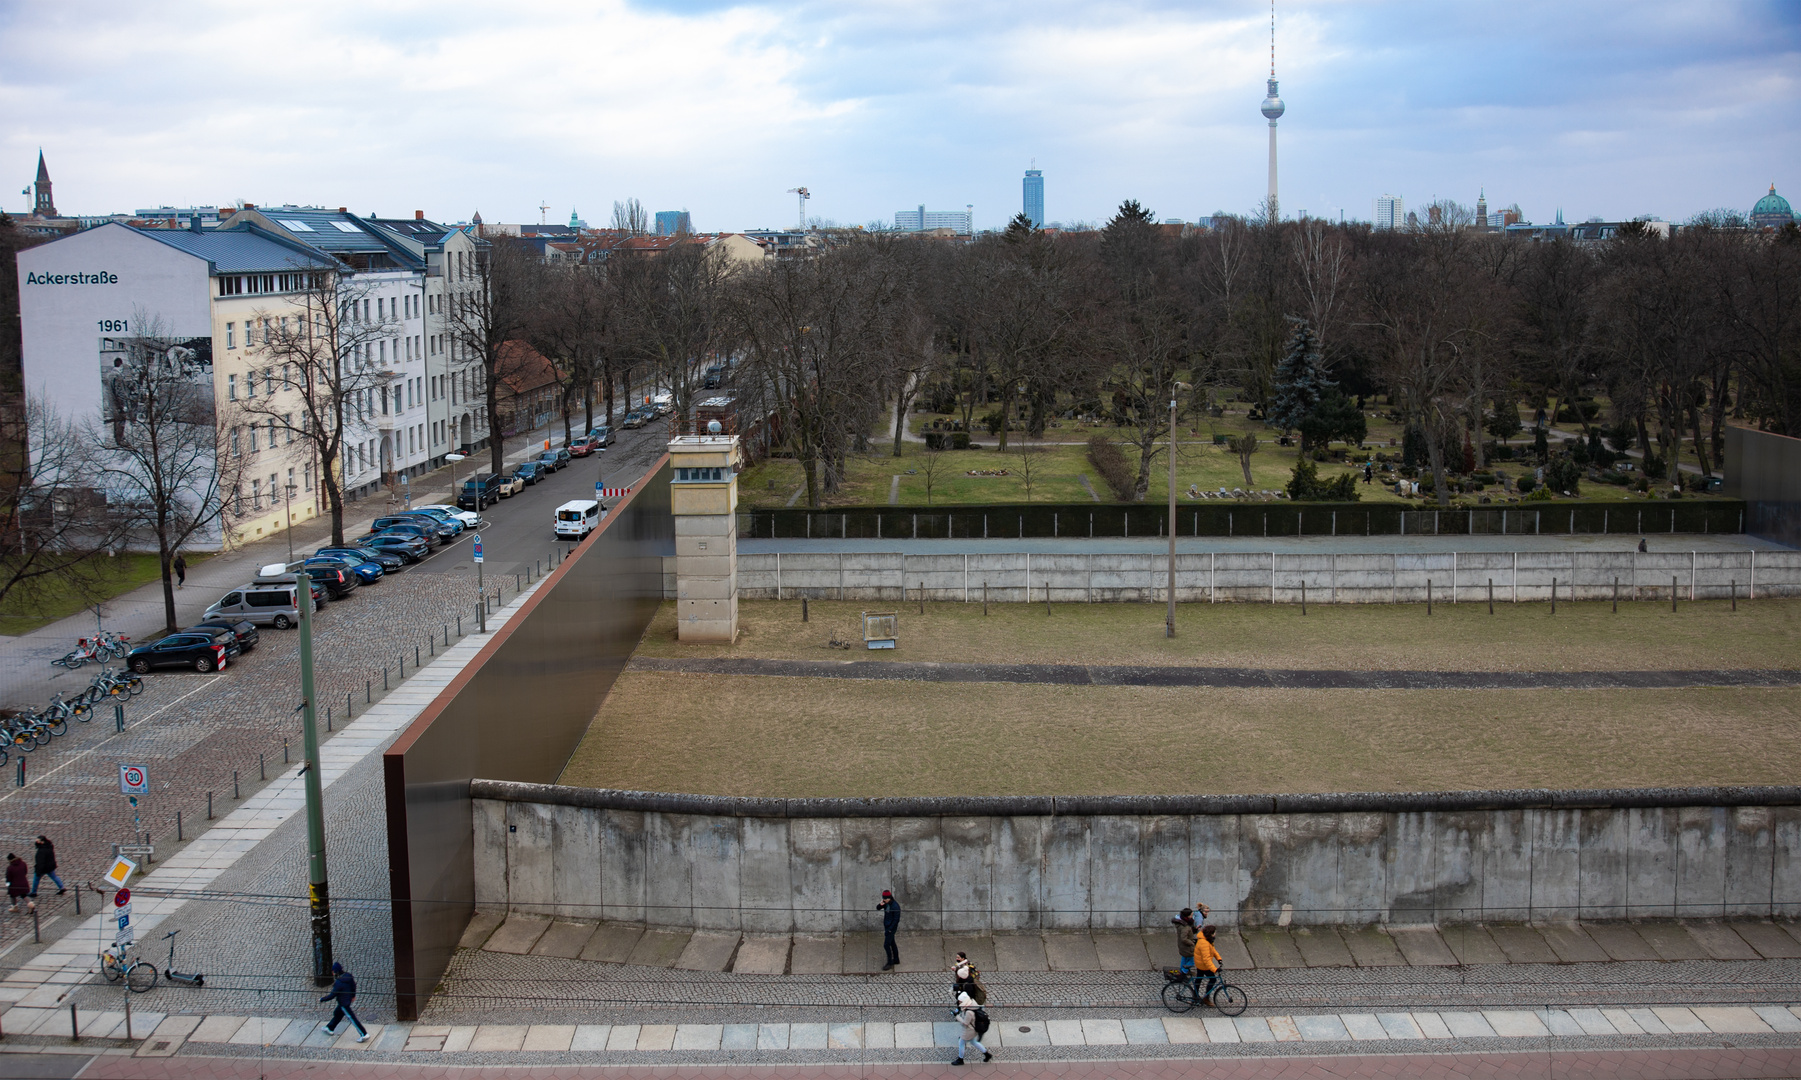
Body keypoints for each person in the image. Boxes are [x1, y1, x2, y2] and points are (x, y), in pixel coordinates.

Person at [319, 961, 369, 1042]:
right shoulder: (348, 976)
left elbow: (332, 995)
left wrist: (322, 999)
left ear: (335, 972)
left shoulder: (338, 983)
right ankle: (330, 1028)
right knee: (337, 1013)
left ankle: (364, 1034)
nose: (332, 973)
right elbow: (353, 986)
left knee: (352, 1018)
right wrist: (353, 995)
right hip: (348, 1000)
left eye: (333, 972)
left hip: (343, 1004)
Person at [951, 990, 991, 1066]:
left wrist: (957, 1016)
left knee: (961, 1043)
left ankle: (960, 1059)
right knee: (974, 1042)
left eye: (960, 1001)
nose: (959, 1003)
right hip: (974, 1029)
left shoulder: (969, 1012)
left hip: (969, 1031)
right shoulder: (973, 1003)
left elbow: (965, 1023)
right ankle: (986, 1054)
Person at [1192, 924, 1224, 999]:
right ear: (1211, 934)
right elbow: (1206, 959)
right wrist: (1215, 969)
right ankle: (1206, 998)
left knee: (1198, 979)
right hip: (1203, 965)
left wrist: (1218, 958)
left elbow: (1212, 950)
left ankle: (1195, 996)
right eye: (1214, 932)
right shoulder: (1204, 943)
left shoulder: (1207, 940)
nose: (1215, 934)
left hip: (1200, 964)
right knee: (1213, 979)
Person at [876, 890, 901, 970]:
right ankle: (896, 959)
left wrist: (890, 929)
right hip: (887, 926)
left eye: (886, 899)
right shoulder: (886, 904)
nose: (885, 900)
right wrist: (880, 904)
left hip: (891, 928)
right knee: (892, 943)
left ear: (889, 898)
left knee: (886, 945)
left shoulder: (895, 906)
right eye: (884, 899)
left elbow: (896, 920)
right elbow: (878, 908)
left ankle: (890, 962)